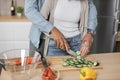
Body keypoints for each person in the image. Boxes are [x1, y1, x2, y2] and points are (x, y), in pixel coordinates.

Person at [24, 0, 97, 57]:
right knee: (41, 70)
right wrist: (52, 29)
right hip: (49, 39)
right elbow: (29, 10)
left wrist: (90, 32)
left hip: (77, 42)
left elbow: (90, 5)